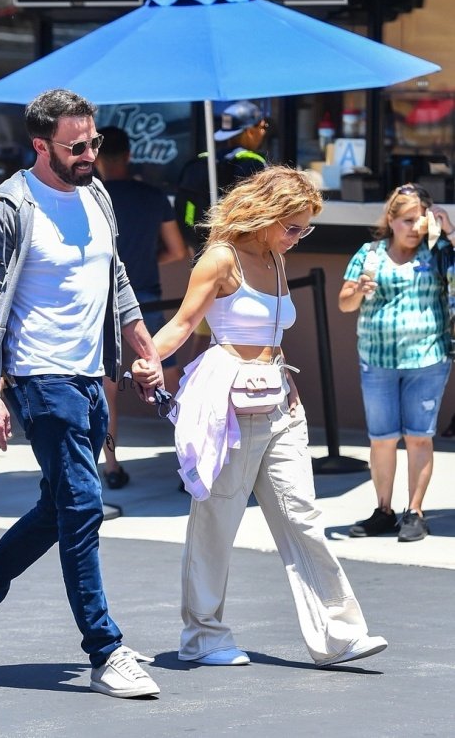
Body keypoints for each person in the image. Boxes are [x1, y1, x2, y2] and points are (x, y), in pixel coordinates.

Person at [0, 89, 163, 699]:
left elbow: (118, 281)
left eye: (94, 143)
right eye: (75, 146)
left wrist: (145, 348)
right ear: (41, 145)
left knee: (58, 508)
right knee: (83, 504)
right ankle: (105, 650)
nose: (89, 154)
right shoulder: (7, 206)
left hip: (89, 376)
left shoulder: (98, 194)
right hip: (39, 377)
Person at [133, 166, 387, 668]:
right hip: (229, 400)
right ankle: (203, 636)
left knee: (303, 517)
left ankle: (337, 636)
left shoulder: (273, 257)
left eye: (306, 229)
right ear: (265, 214)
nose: (299, 237)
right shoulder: (221, 258)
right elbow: (184, 323)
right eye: (293, 226)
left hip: (280, 397)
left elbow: (273, 336)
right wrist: (147, 362)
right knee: (217, 520)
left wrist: (286, 383)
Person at [338, 183, 453, 542]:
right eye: (407, 220)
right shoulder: (369, 254)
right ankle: (383, 509)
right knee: (382, 439)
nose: (415, 227)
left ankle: (414, 512)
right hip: (378, 359)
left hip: (428, 358)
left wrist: (448, 232)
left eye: (421, 220)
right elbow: (344, 303)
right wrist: (357, 289)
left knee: (419, 438)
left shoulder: (438, 253)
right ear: (391, 220)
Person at [95, 125, 187, 488]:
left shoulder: (91, 198)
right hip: (145, 294)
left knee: (105, 386)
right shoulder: (152, 196)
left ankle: (111, 466)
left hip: (100, 300)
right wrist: (147, 260)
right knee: (171, 379)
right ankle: (187, 461)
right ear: (130, 156)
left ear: (98, 157)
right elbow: (178, 250)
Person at [176, 100, 269, 361]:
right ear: (249, 130)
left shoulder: (200, 163)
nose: (264, 132)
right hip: (241, 264)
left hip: (204, 257)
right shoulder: (254, 165)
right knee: (238, 332)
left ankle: (193, 382)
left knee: (203, 329)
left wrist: (199, 245)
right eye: (262, 126)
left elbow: (184, 215)